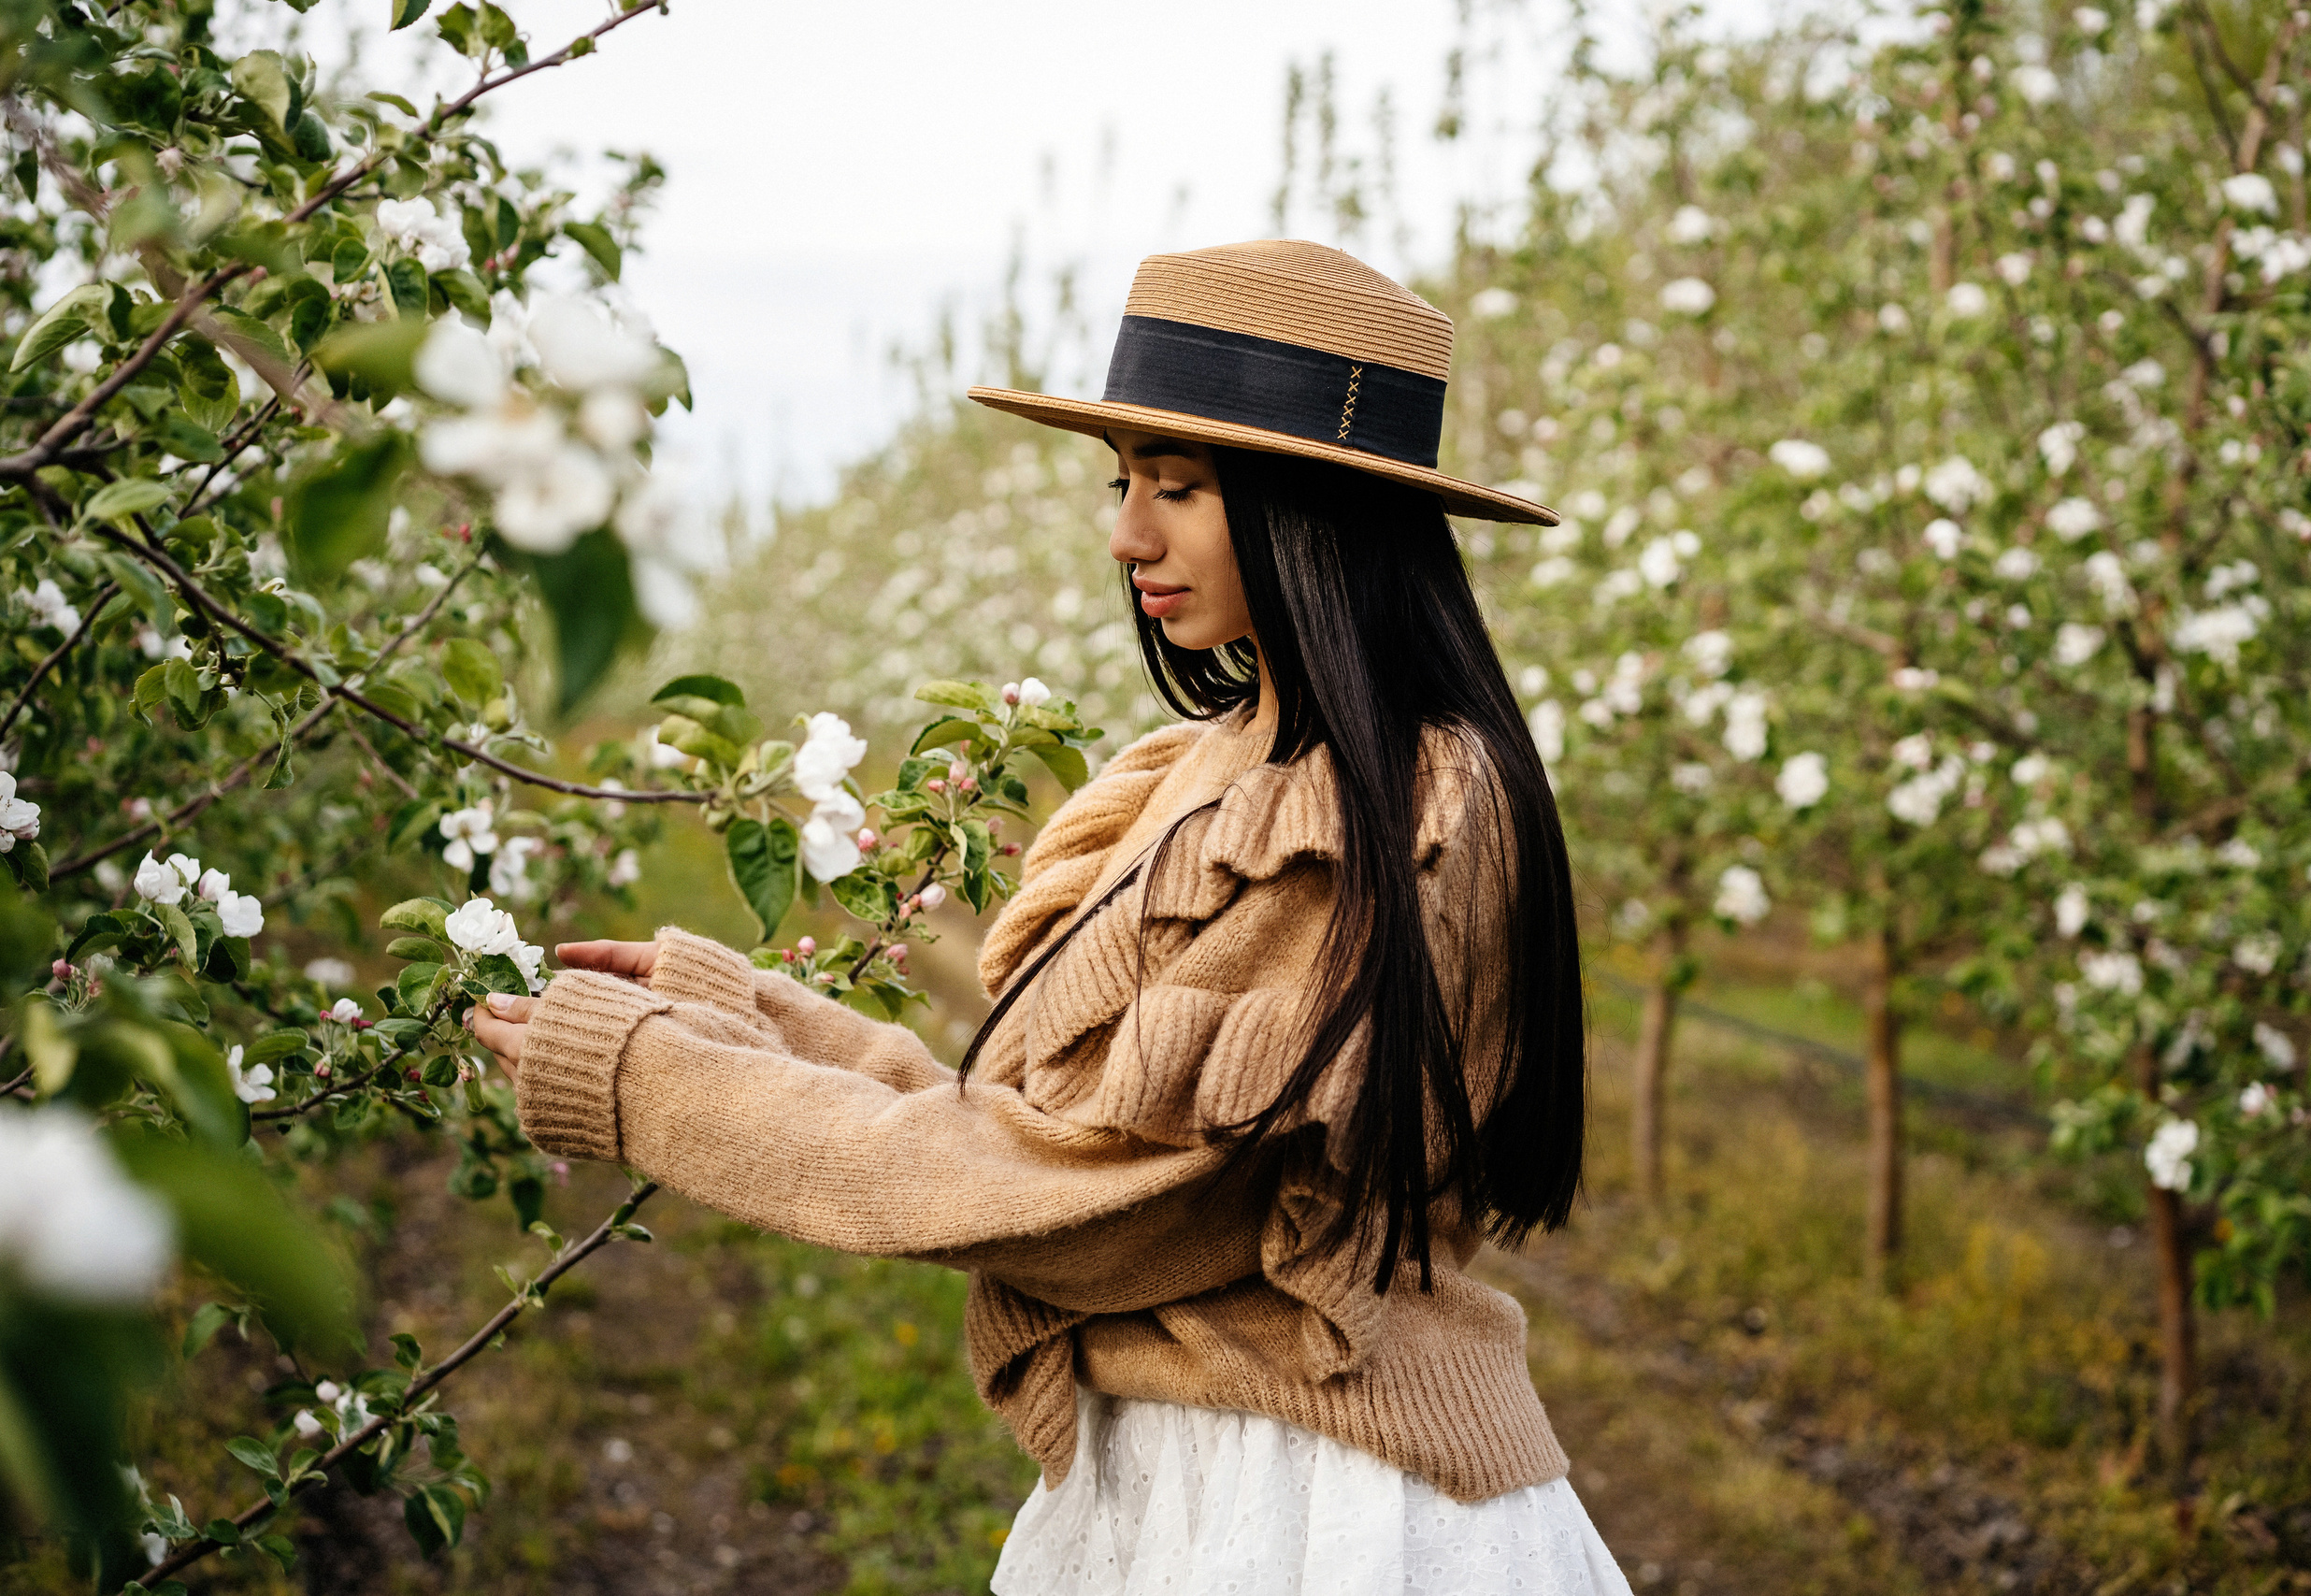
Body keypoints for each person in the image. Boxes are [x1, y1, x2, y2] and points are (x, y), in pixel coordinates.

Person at [470, 239, 1632, 1594]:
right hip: (1179, 1476)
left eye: (1179, 487)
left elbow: (1101, 1205)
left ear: (1318, 511)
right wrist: (753, 1018)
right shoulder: (1203, 765)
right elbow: (1052, 1129)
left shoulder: (1406, 810)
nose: (1128, 536)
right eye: (1123, 482)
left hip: (1323, 1505)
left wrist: (662, 1084)